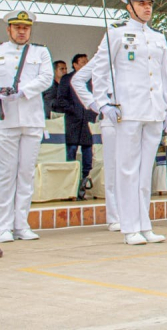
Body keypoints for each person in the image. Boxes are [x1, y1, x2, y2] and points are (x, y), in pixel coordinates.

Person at [85, 0, 167, 246]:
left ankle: (144, 224)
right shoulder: (115, 34)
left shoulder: (158, 38)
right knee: (127, 170)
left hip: (154, 110)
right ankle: (129, 226)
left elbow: (165, 76)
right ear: (130, 7)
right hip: (128, 110)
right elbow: (100, 71)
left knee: (146, 170)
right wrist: (103, 103)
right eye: (141, 3)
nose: (147, 7)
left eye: (149, 3)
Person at [0, 11, 53, 243]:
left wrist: (22, 91)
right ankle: (3, 226)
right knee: (6, 173)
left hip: (32, 119)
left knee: (26, 173)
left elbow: (46, 78)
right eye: (17, 27)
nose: (21, 31)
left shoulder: (40, 51)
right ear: (8, 29)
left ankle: (21, 224)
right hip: (4, 119)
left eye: (25, 27)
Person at [71, 51, 119, 232]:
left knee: (131, 166)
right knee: (113, 167)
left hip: (135, 113)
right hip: (111, 113)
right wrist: (96, 105)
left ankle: (132, 213)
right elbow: (78, 81)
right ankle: (114, 216)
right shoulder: (103, 57)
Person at [53, 53, 97, 198]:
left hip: (87, 122)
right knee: (71, 152)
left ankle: (84, 183)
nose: (85, 64)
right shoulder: (67, 79)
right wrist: (73, 109)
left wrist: (91, 113)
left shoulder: (91, 80)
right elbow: (61, 99)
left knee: (88, 155)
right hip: (72, 121)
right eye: (82, 62)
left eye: (87, 62)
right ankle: (70, 187)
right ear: (75, 65)